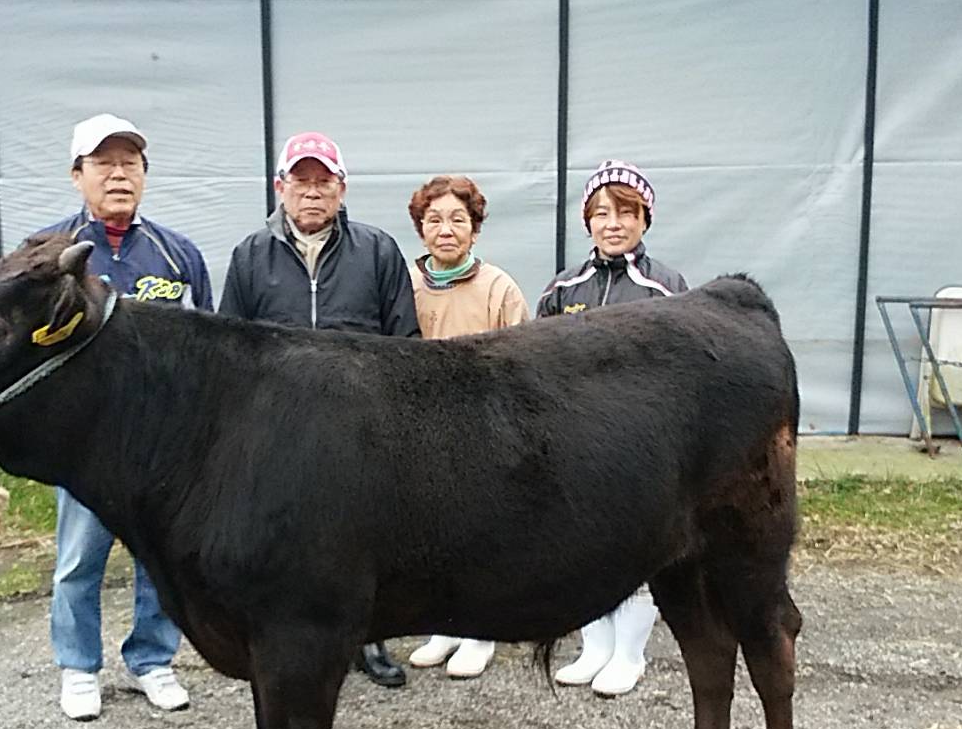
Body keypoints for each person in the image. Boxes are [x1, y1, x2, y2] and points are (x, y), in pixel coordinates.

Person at [218, 130, 419, 688]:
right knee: (282, 542)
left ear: (342, 188)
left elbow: (406, 343)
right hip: (276, 432)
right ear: (280, 187)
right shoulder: (250, 256)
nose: (312, 193)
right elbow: (229, 350)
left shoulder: (377, 251)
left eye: (323, 181)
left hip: (362, 432)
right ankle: (282, 640)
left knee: (364, 543)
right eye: (301, 181)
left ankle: (369, 640)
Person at [35, 114, 212, 720]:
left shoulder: (176, 254)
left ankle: (152, 660)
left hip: (160, 448)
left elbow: (203, 347)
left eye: (129, 163)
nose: (118, 174)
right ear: (77, 174)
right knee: (78, 561)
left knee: (157, 560)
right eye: (103, 164)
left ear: (144, 174)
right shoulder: (47, 253)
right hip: (81, 448)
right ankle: (78, 668)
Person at [538, 160, 689, 698]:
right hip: (576, 444)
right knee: (583, 549)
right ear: (587, 222)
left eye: (626, 212)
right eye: (601, 213)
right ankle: (593, 647)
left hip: (642, 447)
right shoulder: (563, 287)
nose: (613, 224)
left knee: (640, 550)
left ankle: (630, 654)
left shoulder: (666, 287)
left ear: (645, 219)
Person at [401, 175, 531, 679]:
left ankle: (480, 631)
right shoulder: (406, 283)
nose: (446, 230)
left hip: (482, 429)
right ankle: (443, 627)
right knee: (429, 534)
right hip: (417, 429)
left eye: (458, 220)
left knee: (482, 535)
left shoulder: (499, 287)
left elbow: (523, 365)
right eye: (434, 221)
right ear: (421, 229)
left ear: (475, 229)